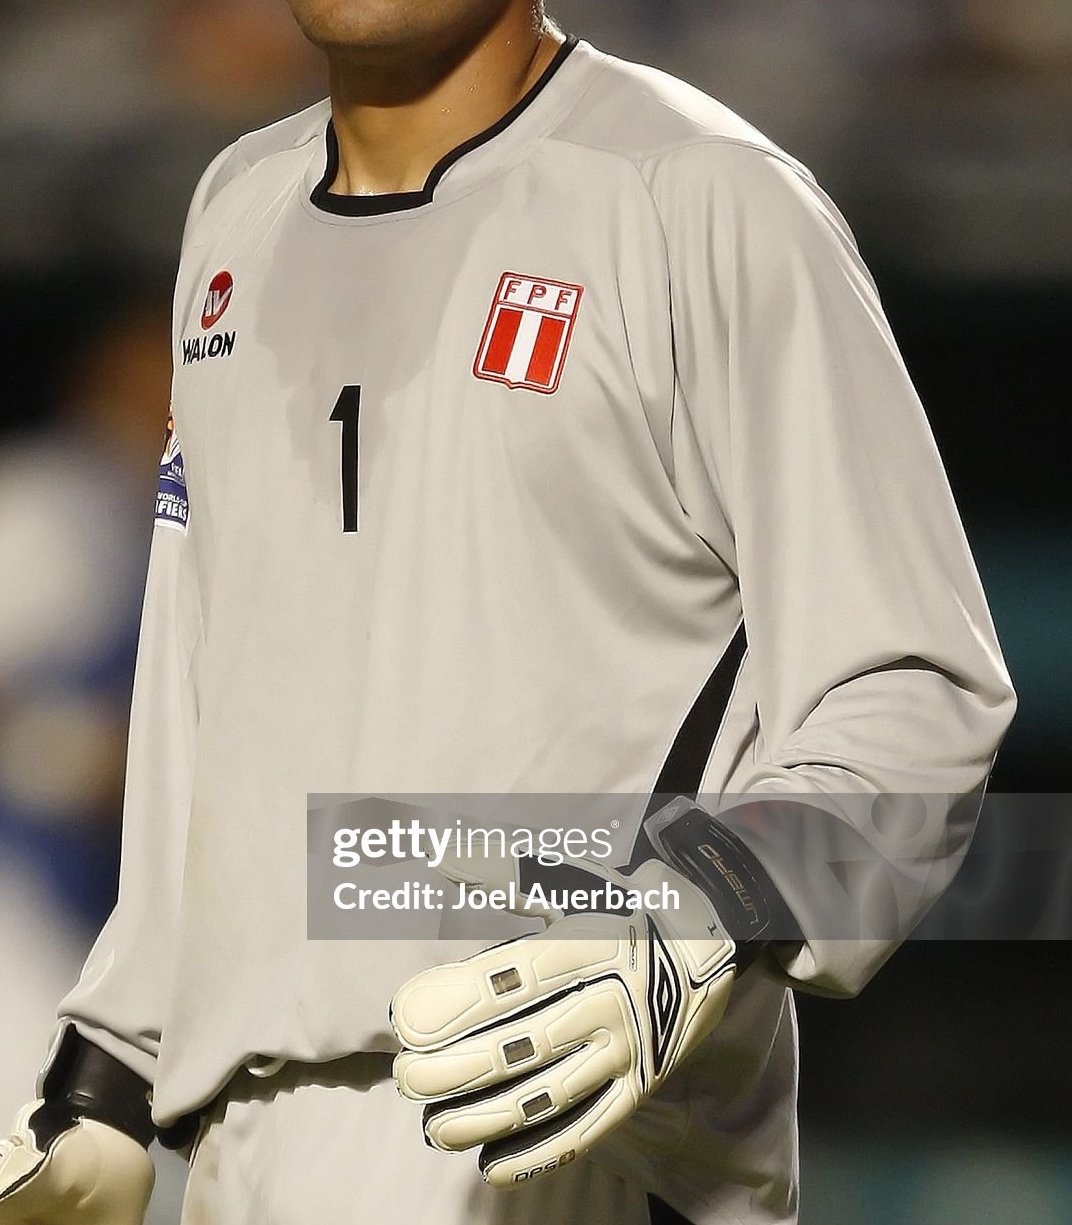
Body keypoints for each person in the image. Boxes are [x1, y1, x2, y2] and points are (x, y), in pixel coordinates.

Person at [0, 3, 1015, 1224]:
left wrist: (693, 913)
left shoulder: (703, 196)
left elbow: (916, 693)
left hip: (572, 1125)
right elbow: (201, 680)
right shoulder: (238, 202)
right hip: (250, 1140)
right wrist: (111, 1070)